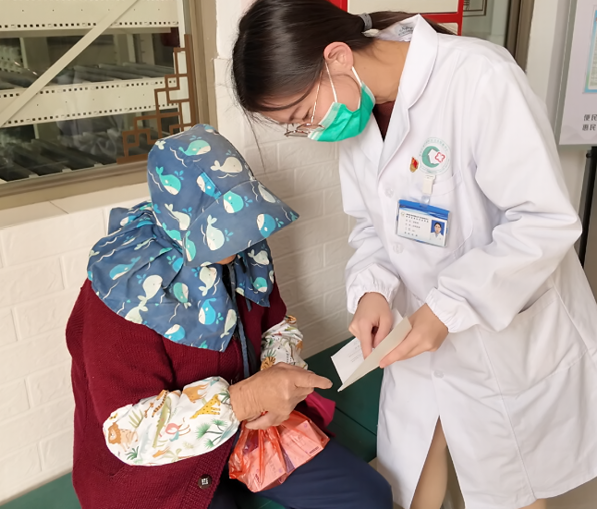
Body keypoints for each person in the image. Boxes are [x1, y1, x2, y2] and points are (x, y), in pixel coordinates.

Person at [230, 0, 597, 509]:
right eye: (294, 127)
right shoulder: (358, 110)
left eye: (303, 114)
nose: (310, 132)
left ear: (336, 56)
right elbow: (372, 225)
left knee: (511, 483)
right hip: (415, 330)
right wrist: (372, 290)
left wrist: (447, 308)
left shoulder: (479, 77)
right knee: (414, 462)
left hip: (500, 326)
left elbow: (543, 221)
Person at [66, 125, 393, 509]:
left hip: (254, 431)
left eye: (236, 220)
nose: (236, 240)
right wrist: (245, 398)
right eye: (219, 227)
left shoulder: (244, 251)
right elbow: (130, 433)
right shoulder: (121, 289)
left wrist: (279, 373)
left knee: (369, 495)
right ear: (179, 219)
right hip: (161, 472)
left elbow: (277, 324)